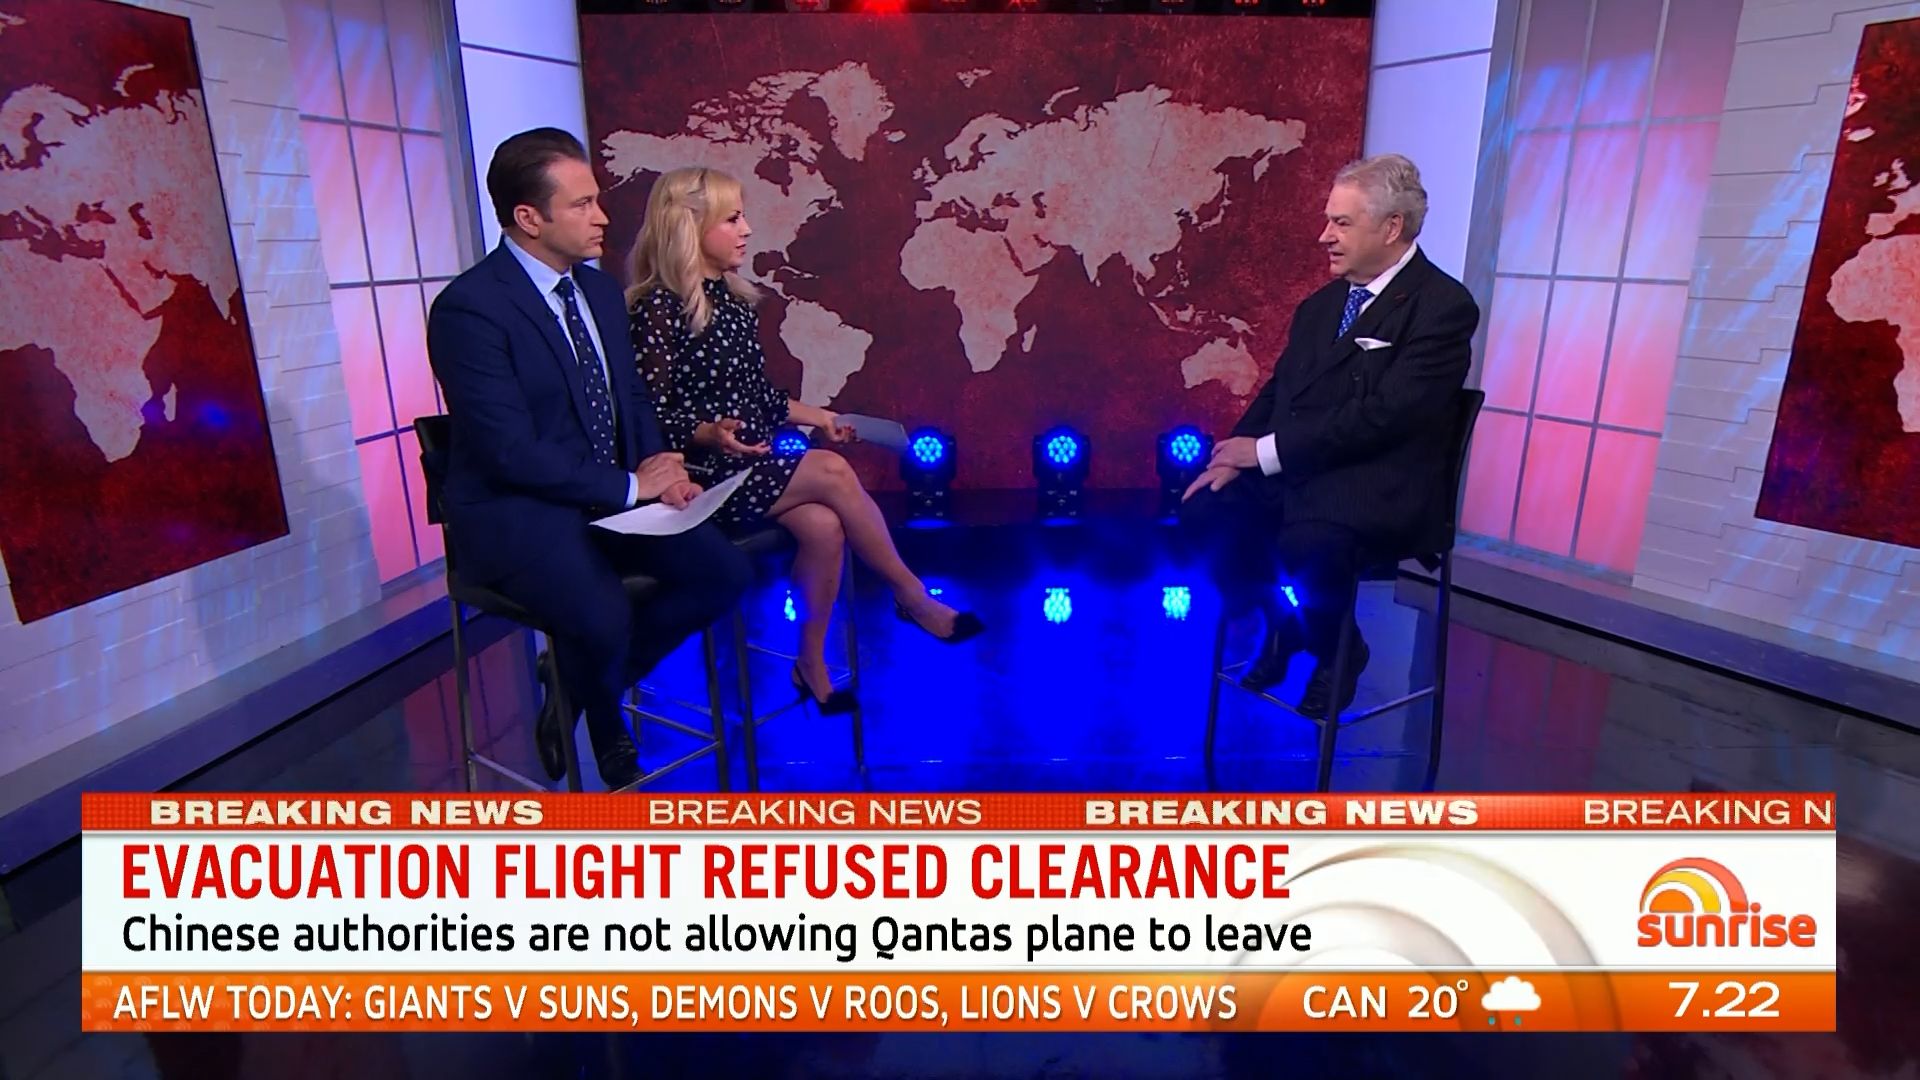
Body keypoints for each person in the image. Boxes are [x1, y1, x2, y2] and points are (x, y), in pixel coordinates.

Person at [426, 130, 752, 790]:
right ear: (529, 218)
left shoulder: (599, 292)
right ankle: (606, 722)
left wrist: (663, 468)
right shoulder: (469, 310)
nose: (602, 217)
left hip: (610, 497)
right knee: (602, 614)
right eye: (582, 205)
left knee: (724, 573)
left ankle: (577, 686)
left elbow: (629, 396)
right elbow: (508, 450)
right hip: (520, 511)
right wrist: (632, 485)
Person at [625, 167, 983, 712]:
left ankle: (810, 661)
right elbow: (643, 416)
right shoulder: (655, 308)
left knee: (824, 526)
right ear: (688, 228)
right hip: (695, 478)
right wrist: (707, 433)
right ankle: (912, 595)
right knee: (833, 471)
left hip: (749, 463)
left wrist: (823, 417)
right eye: (732, 219)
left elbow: (759, 398)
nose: (747, 230)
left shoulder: (735, 303)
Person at [1181, 154, 1478, 719]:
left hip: (1382, 481)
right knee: (1205, 510)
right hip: (1310, 465)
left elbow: (1388, 416)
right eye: (1328, 220)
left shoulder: (1443, 307)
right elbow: (1279, 390)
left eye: (1341, 223)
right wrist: (1232, 457)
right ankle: (1287, 624)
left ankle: (1338, 651)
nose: (1324, 236)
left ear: (1391, 228)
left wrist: (1264, 452)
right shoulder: (1320, 307)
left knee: (1308, 541)